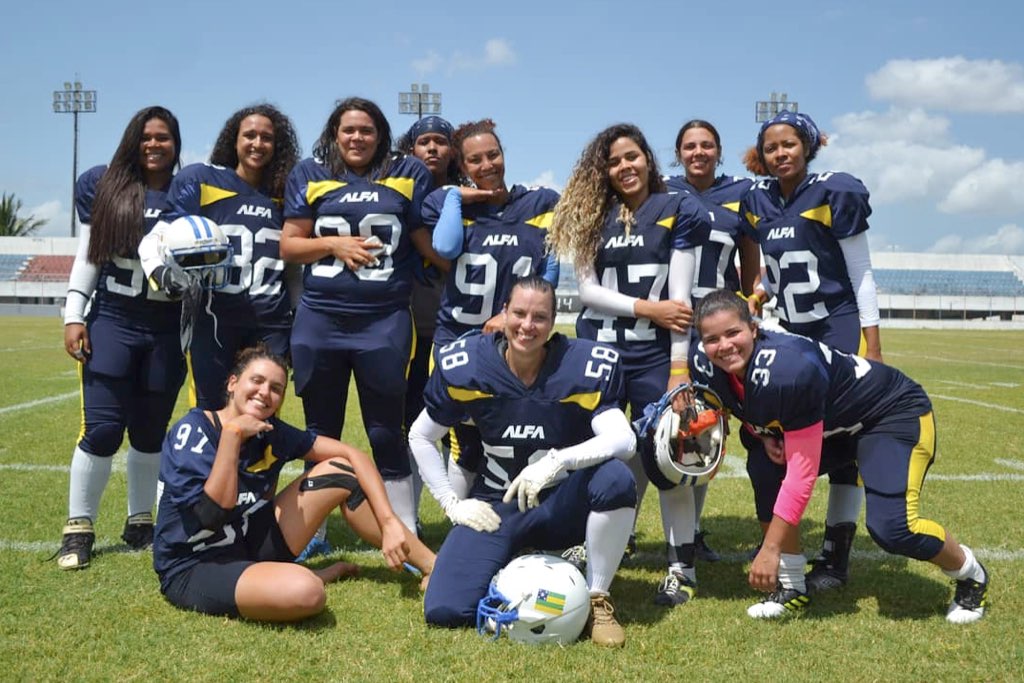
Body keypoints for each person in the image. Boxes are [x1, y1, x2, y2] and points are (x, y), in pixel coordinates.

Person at [690, 289, 989, 623]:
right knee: (763, 464)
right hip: (836, 424)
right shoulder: (704, 363)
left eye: (733, 333)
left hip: (888, 415)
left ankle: (970, 573)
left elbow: (801, 475)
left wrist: (769, 548)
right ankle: (792, 585)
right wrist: (764, 434)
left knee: (893, 528)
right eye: (712, 338)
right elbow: (745, 405)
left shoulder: (789, 367)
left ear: (754, 328)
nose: (725, 345)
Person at [409, 277, 637, 647]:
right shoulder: (469, 364)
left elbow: (623, 440)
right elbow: (420, 436)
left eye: (539, 317)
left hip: (563, 504)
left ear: (553, 322)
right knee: (446, 610)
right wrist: (453, 505)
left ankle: (597, 598)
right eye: (519, 313)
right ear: (503, 314)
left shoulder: (583, 365)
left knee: (615, 478)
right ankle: (506, 562)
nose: (527, 326)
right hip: (498, 505)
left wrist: (557, 462)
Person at [153, 345, 435, 622]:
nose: (265, 392)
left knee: (341, 471)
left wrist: (388, 522)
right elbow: (212, 514)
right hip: (195, 564)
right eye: (257, 381)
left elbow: (353, 456)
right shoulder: (194, 430)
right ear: (232, 383)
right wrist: (232, 435)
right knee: (307, 592)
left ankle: (432, 567)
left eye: (276, 388)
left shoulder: (270, 431)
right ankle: (297, 577)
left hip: (246, 542)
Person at [547, 123, 707, 607]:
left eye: (632, 156)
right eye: (614, 161)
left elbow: (679, 301)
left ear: (648, 159)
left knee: (669, 459)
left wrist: (679, 367)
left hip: (655, 356)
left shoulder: (677, 207)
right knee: (603, 452)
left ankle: (682, 565)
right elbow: (588, 291)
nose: (624, 167)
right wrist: (645, 308)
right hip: (601, 352)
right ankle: (599, 545)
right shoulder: (590, 214)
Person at [739, 110, 882, 593]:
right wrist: (759, 294)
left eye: (789, 145)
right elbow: (776, 270)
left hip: (837, 327)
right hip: (794, 333)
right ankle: (796, 546)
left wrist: (874, 350)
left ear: (808, 146)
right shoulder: (758, 200)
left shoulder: (833, 190)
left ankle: (836, 555)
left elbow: (860, 272)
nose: (781, 154)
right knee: (790, 436)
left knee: (846, 444)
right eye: (772, 147)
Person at [280, 97, 433, 534]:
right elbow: (289, 245)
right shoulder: (311, 172)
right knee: (320, 430)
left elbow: (424, 241)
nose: (357, 138)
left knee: (386, 431)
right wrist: (333, 245)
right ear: (334, 133)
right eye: (348, 130)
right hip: (320, 319)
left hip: (383, 320)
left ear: (380, 135)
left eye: (366, 130)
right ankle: (315, 531)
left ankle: (404, 529)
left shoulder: (407, 173)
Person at [56, 106, 185, 570]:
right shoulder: (106, 184)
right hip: (113, 319)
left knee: (150, 434)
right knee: (104, 428)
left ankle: (140, 521)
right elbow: (89, 254)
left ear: (176, 143)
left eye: (164, 138)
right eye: (147, 137)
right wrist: (74, 313)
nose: (155, 145)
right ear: (134, 139)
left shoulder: (187, 191)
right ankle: (78, 528)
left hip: (166, 327)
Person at [425, 118, 560, 496]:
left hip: (515, 341)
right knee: (464, 443)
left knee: (513, 434)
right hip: (459, 338)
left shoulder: (540, 202)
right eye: (474, 161)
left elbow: (549, 269)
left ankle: (513, 515)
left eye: (493, 155)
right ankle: (460, 524)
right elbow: (447, 248)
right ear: (461, 167)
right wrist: (455, 196)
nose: (487, 165)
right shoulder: (446, 202)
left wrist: (516, 315)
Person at [141, 104, 301, 410]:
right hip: (216, 318)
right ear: (234, 140)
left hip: (271, 320)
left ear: (277, 145)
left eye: (266, 137)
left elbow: (292, 268)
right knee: (211, 413)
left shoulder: (286, 190)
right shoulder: (203, 181)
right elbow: (156, 238)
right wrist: (162, 274)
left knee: (262, 414)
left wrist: (298, 316)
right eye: (249, 135)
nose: (257, 143)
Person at [665, 118, 761, 563]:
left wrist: (752, 298)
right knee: (647, 431)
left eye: (706, 145)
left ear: (718, 151)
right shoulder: (662, 189)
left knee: (702, 432)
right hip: (665, 321)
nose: (698, 152)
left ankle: (694, 531)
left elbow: (749, 264)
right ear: (678, 152)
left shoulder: (739, 194)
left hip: (714, 331)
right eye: (689, 145)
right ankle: (626, 532)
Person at [396, 115, 459, 534]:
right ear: (411, 149)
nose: (432, 149)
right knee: (411, 427)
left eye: (440, 141)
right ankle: (409, 520)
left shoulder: (467, 194)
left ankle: (462, 517)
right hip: (411, 330)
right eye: (424, 142)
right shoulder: (396, 195)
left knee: (461, 432)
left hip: (458, 329)